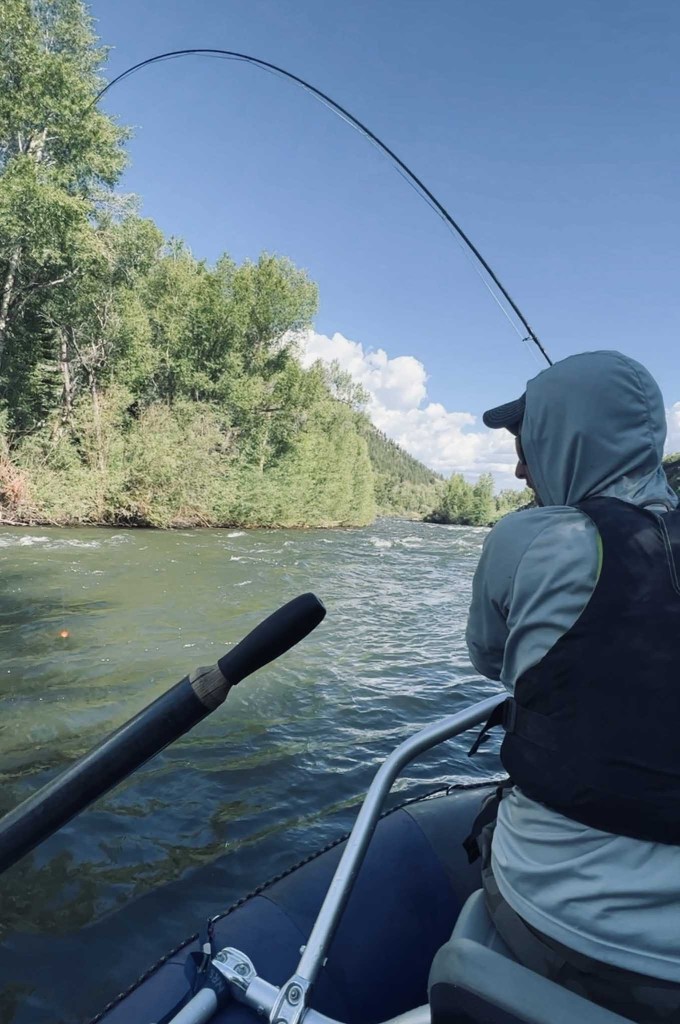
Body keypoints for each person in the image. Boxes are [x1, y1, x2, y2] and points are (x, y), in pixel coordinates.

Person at [465, 350, 680, 1022]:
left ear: (570, 439)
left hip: (554, 917)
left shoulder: (528, 539)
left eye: (528, 442)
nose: (521, 466)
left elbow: (486, 658)